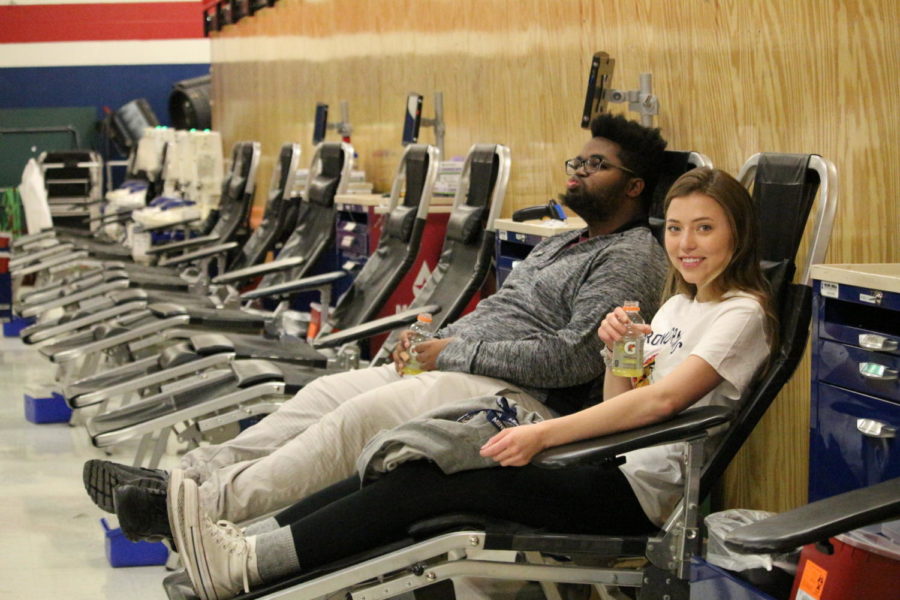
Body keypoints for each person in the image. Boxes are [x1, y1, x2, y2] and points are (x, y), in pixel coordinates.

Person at [169, 166, 779, 600]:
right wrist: (621, 351)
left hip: (638, 496)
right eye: (675, 228)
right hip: (600, 462)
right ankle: (251, 545)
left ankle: (245, 563)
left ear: (738, 234)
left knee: (431, 482)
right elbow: (624, 401)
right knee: (413, 462)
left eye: (704, 229)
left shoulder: (742, 316)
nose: (685, 244)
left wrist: (543, 438)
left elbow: (666, 403)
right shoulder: (675, 310)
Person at [85, 114, 670, 544]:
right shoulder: (566, 239)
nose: (578, 172)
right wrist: (427, 343)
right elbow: (500, 316)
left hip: (528, 405)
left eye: (596, 166)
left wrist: (453, 353)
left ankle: (200, 508)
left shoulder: (631, 256)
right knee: (322, 394)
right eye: (578, 161)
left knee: (355, 422)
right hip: (466, 369)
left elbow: (570, 360)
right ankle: (185, 477)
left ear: (635, 185)